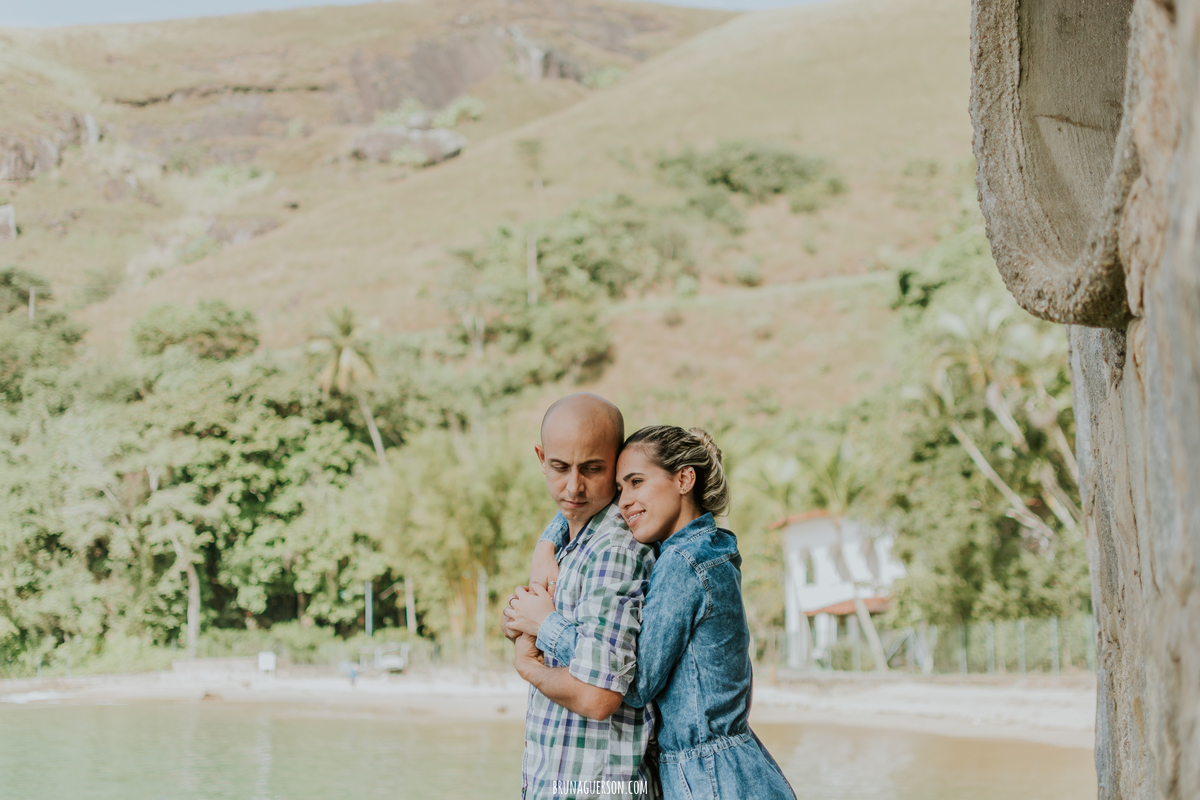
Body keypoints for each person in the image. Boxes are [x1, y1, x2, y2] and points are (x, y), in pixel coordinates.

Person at [509, 425, 796, 800]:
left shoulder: (683, 563)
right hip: (726, 769)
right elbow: (580, 501)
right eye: (620, 488)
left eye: (636, 482)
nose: (624, 501)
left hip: (712, 780)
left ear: (684, 479)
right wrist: (548, 541)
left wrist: (546, 625)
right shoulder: (707, 546)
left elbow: (635, 682)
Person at [501, 393, 658, 800]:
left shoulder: (615, 550)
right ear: (541, 458)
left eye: (592, 469)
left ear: (619, 464)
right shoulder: (574, 539)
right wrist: (521, 619)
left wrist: (529, 663)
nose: (573, 486)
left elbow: (598, 696)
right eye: (559, 467)